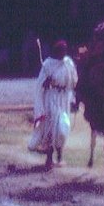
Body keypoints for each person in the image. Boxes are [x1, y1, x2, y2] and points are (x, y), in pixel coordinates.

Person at [28, 40, 79, 169]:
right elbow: (40, 84)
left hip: (64, 98)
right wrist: (48, 82)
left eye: (65, 50)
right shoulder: (48, 64)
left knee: (63, 127)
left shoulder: (68, 63)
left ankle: (60, 156)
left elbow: (74, 81)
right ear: (56, 51)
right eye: (61, 50)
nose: (63, 53)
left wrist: (73, 98)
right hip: (52, 98)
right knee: (52, 128)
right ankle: (49, 158)